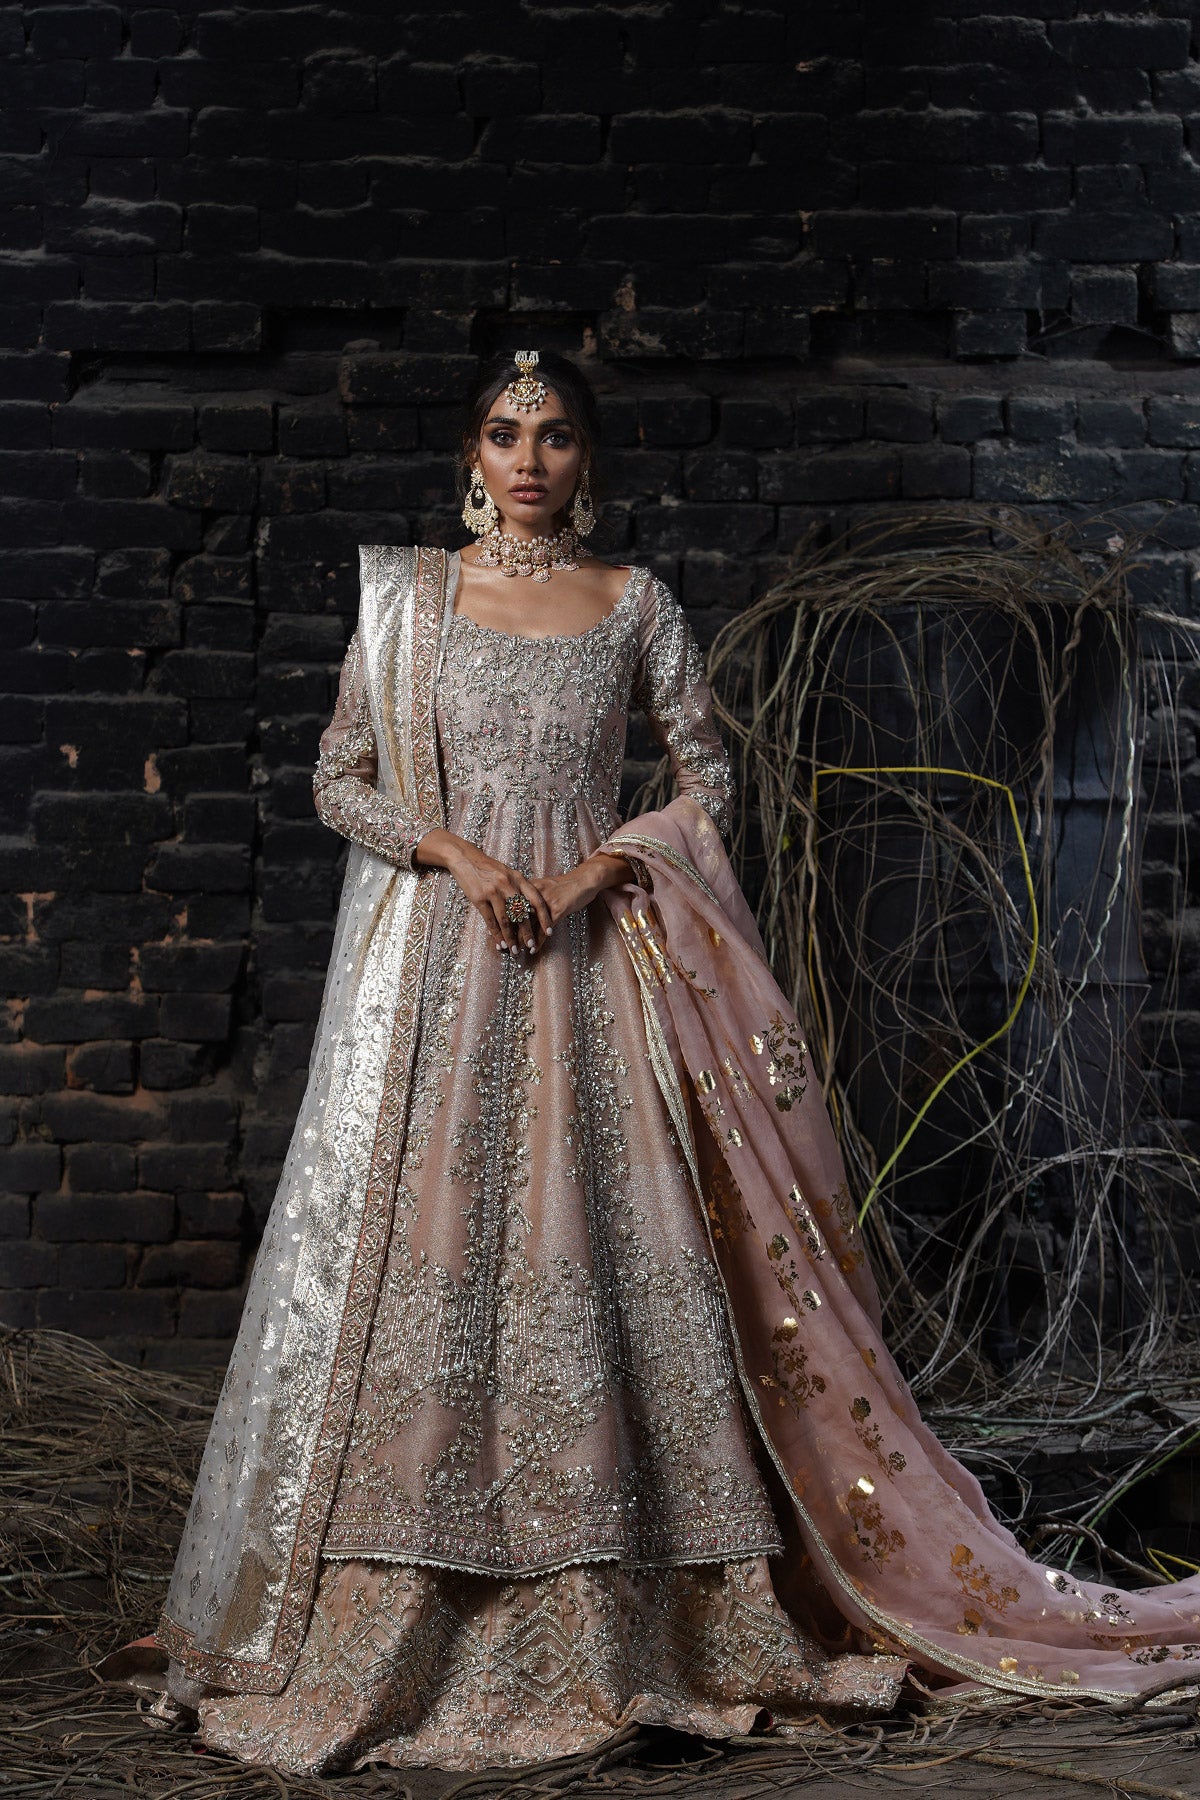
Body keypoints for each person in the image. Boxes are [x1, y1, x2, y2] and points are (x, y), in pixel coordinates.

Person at [101, 350, 1200, 1775]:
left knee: (607, 1253)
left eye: (555, 436)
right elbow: (339, 777)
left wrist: (602, 866)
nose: (529, 457)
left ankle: (640, 1609)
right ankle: (397, 1596)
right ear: (470, 455)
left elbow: (709, 781)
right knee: (430, 1249)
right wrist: (461, 852)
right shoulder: (411, 602)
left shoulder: (636, 606)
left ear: (588, 462)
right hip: (445, 980)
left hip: (597, 974)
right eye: (505, 433)